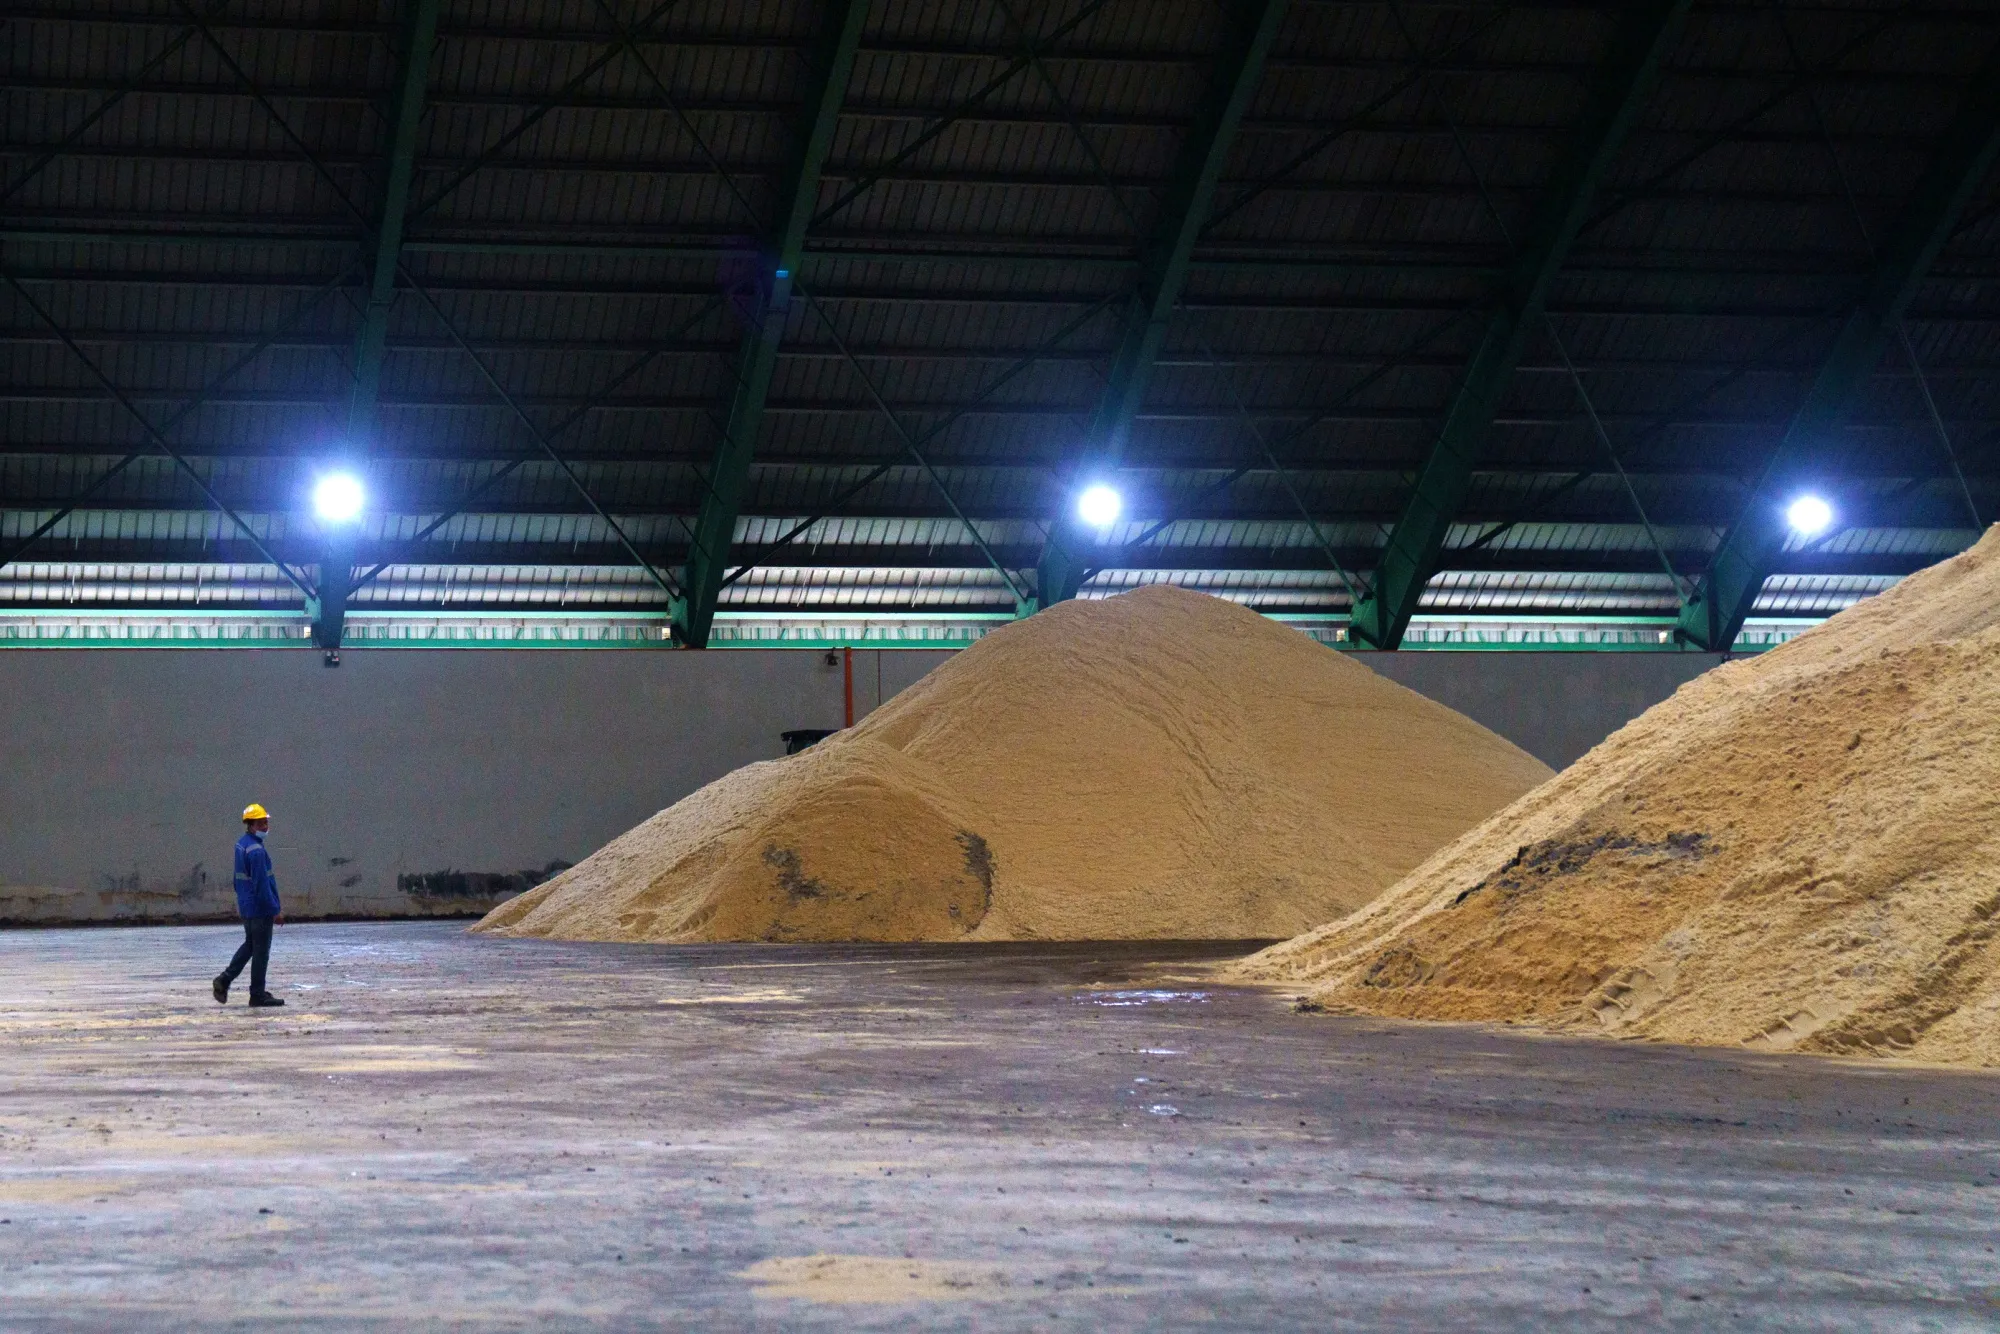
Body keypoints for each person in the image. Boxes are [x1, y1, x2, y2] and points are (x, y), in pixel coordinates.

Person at [213, 803, 285, 1007]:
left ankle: (224, 980)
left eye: (266, 822)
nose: (265, 827)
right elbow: (262, 885)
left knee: (250, 945)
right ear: (251, 825)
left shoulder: (241, 844)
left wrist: (244, 902)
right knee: (261, 952)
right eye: (261, 823)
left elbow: (237, 880)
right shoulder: (257, 852)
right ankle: (257, 994)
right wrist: (274, 910)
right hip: (260, 909)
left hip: (247, 907)